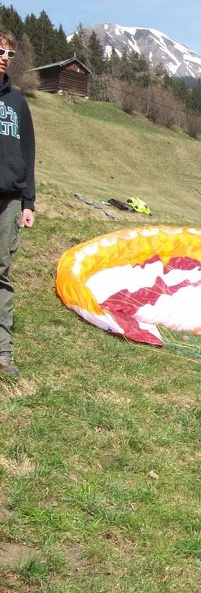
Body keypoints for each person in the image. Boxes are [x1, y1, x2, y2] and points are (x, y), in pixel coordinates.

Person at [0, 30, 35, 377]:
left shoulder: (18, 102)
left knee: (1, 273)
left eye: (8, 53)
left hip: (9, 198)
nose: (4, 57)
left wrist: (28, 201)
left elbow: (28, 152)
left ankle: (3, 350)